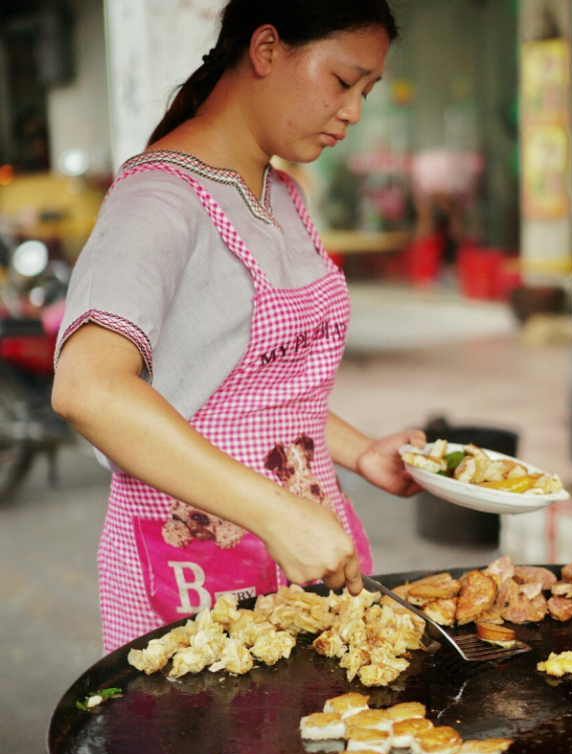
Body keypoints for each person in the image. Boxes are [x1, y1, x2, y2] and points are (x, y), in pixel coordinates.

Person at [52, 0, 426, 653]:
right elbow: (89, 389)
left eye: (365, 92)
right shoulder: (157, 202)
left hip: (303, 571)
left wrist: (361, 452)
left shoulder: (283, 195)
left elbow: (252, 392)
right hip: (196, 583)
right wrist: (276, 513)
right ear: (266, 49)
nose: (353, 112)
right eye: (343, 82)